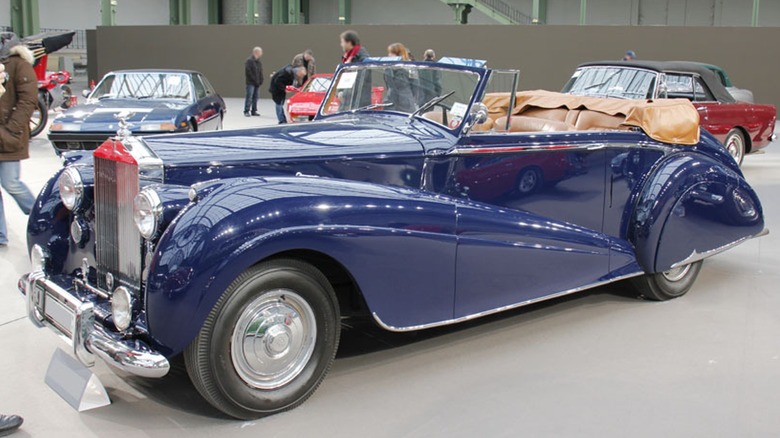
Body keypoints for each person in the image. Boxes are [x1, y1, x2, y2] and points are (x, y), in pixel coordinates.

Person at [0, 32, 37, 247]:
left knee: (11, 183)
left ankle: (40, 216)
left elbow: (28, 99)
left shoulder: (18, 65)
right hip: (7, 134)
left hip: (8, 137)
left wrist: (11, 129)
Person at [384, 43, 417, 113]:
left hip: (405, 103)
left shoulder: (409, 67)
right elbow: (388, 85)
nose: (389, 55)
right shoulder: (388, 68)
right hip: (390, 102)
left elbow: (415, 86)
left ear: (398, 54)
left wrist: (409, 98)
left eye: (392, 53)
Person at [244, 46, 263, 117]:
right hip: (250, 83)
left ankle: (254, 110)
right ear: (256, 52)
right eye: (260, 52)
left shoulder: (258, 62)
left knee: (256, 97)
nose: (261, 53)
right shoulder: (249, 61)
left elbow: (260, 72)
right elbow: (248, 72)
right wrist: (254, 80)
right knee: (249, 96)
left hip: (257, 83)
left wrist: (261, 80)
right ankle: (246, 110)